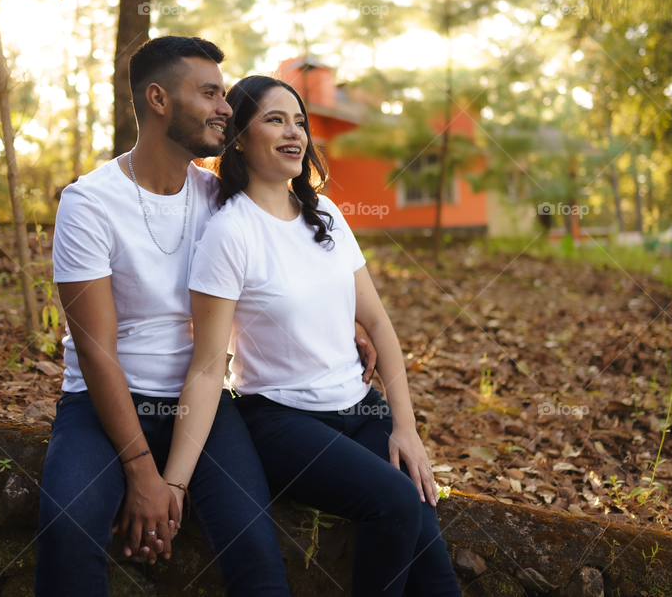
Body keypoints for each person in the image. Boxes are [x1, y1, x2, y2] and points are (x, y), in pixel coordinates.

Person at [35, 37, 377, 596]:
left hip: (206, 404)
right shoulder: (89, 203)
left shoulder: (222, 196)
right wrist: (144, 474)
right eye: (211, 93)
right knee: (66, 531)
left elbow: (288, 270)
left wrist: (344, 327)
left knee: (256, 554)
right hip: (102, 407)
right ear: (158, 99)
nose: (226, 107)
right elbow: (96, 353)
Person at [160, 75, 462, 597]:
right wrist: (174, 479)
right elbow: (210, 365)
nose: (294, 132)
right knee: (392, 500)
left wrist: (405, 428)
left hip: (361, 408)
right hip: (283, 419)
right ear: (238, 136)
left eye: (300, 121)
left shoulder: (326, 216)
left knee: (431, 557)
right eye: (275, 120)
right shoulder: (229, 233)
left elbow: (379, 324)